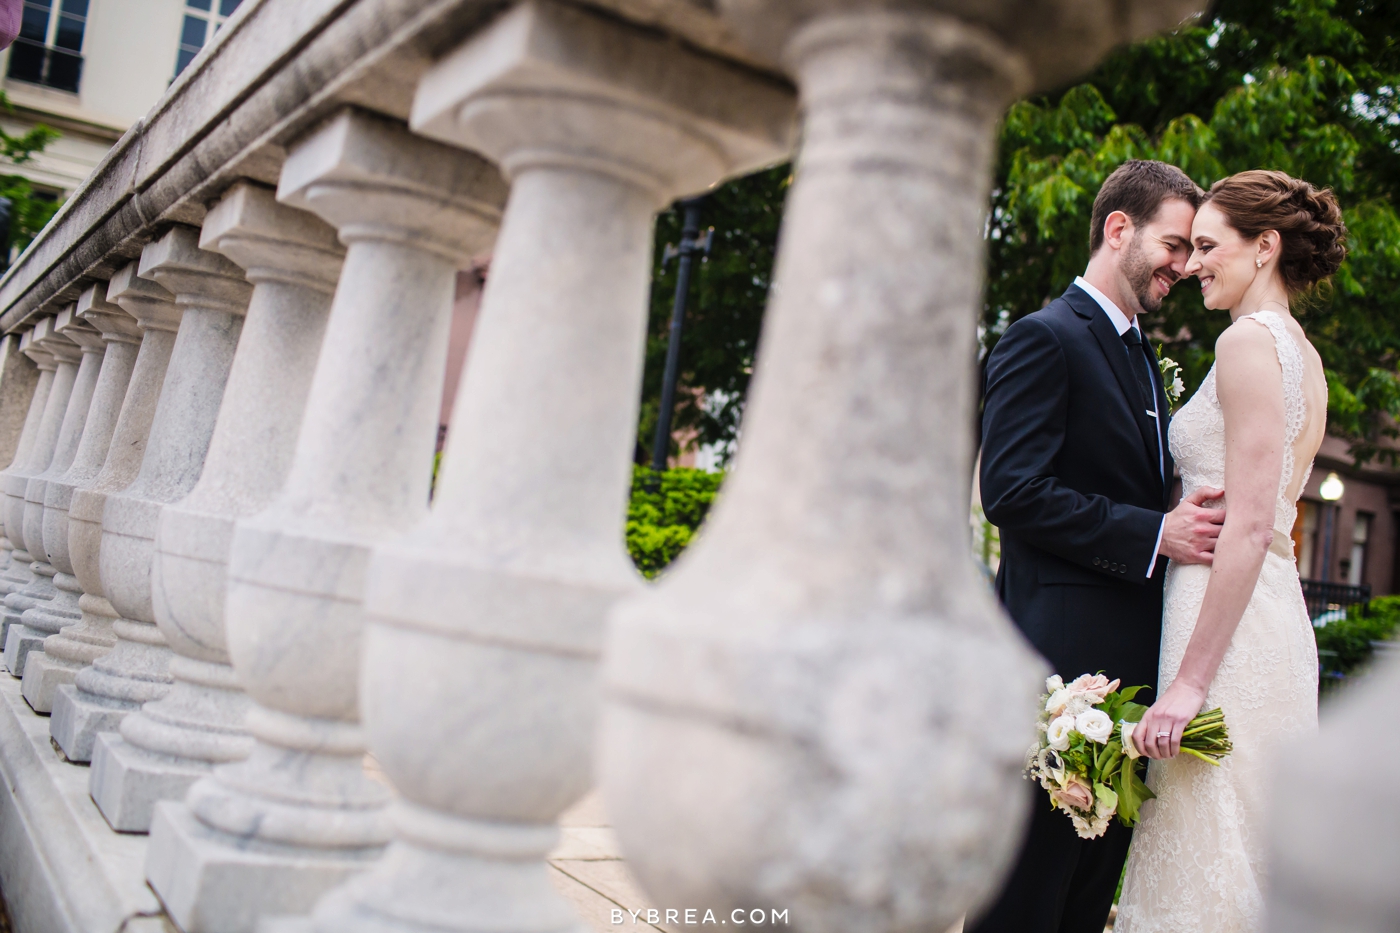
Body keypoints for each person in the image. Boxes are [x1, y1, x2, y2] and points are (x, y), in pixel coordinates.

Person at [973, 159, 1226, 933]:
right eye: (1175, 245)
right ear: (1119, 228)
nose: (1184, 266)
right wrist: (1156, 532)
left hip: (1125, 690)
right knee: (1024, 902)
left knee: (1082, 908)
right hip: (1055, 682)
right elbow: (1011, 489)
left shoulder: (1142, 356)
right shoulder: (1044, 339)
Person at [1115, 170, 1342, 933]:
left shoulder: (1248, 342)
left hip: (1226, 629)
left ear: (1265, 247)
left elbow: (1246, 526)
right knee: (1245, 845)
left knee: (1207, 846)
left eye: (1209, 246)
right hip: (1270, 616)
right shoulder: (1302, 356)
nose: (1192, 263)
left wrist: (1187, 684)